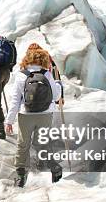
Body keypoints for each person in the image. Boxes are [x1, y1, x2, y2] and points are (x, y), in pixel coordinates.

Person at [4, 47, 62, 188]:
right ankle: (54, 167)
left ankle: (21, 175)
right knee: (42, 142)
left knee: (23, 144)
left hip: (26, 115)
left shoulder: (21, 75)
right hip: (45, 115)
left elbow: (15, 100)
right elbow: (56, 96)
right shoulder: (47, 74)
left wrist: (9, 121)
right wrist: (59, 85)